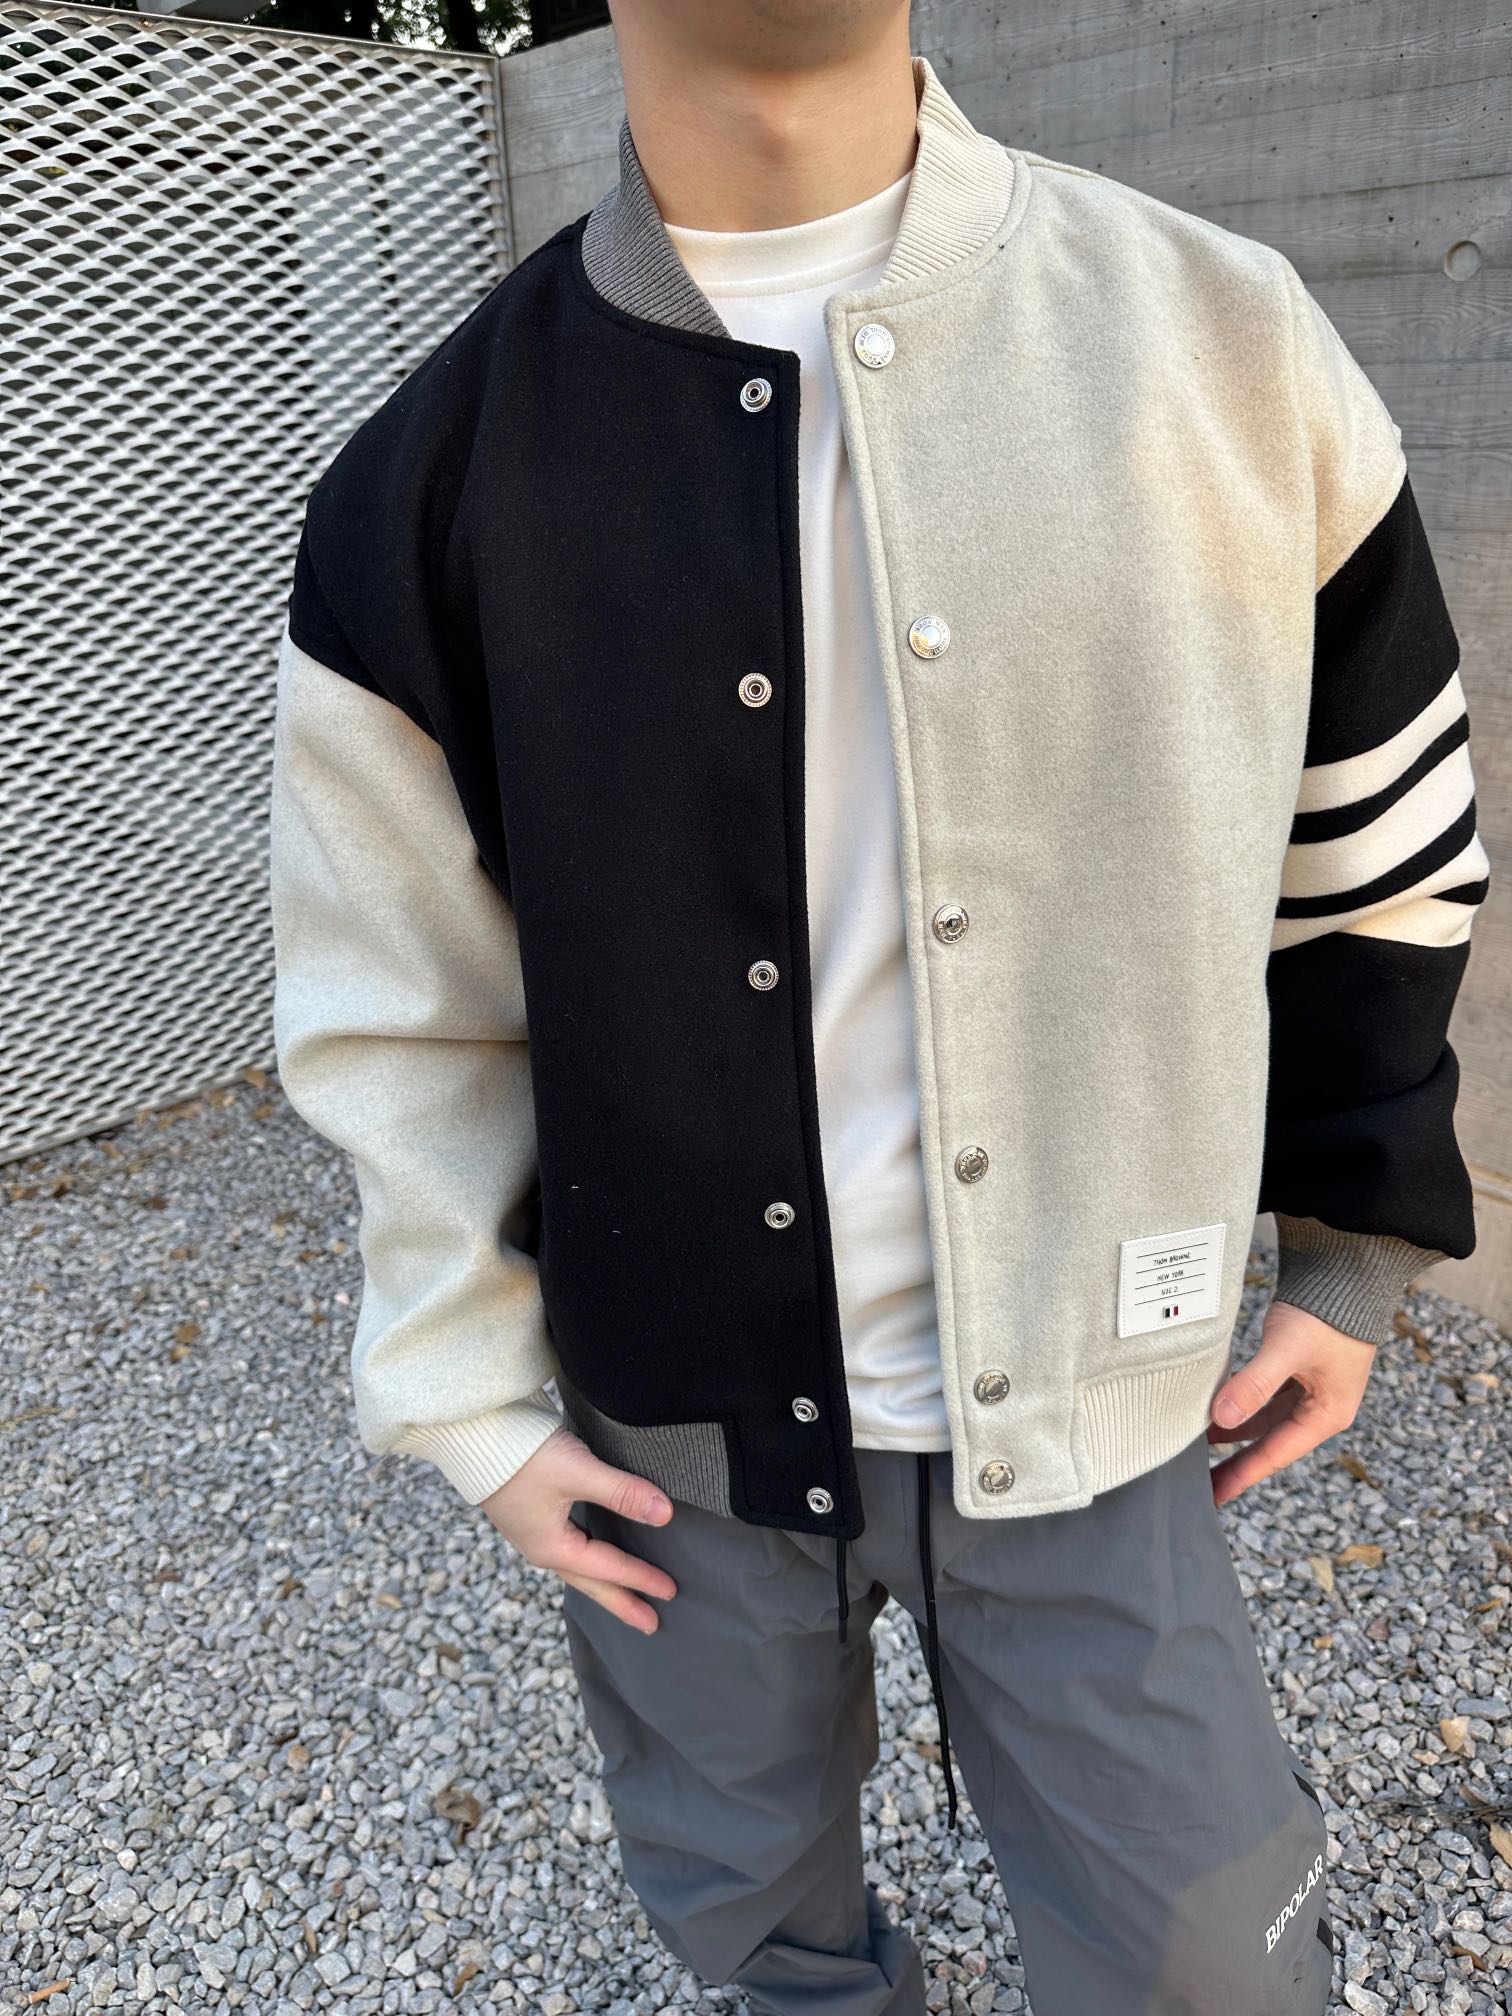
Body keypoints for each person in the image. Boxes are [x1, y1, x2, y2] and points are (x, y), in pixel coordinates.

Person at [267, 3, 1491, 2009]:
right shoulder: (436, 469)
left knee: (1213, 1965)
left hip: (1102, 1385)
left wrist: (1355, 1246)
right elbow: (400, 1002)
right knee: (754, 1922)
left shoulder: (1224, 342)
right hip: (676, 1429)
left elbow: (1377, 838)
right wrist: (468, 1399)